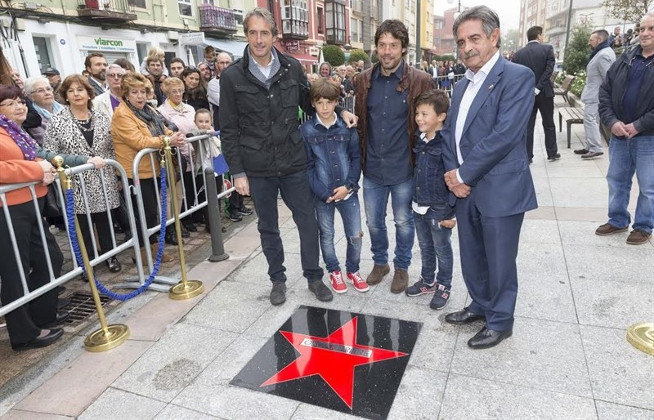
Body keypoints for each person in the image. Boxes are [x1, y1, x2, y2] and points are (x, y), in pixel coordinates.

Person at [219, 7, 357, 306]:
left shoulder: (291, 68)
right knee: (268, 227)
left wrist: (341, 109)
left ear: (273, 36)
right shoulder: (232, 76)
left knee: (308, 223)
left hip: (294, 162)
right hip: (258, 167)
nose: (258, 39)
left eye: (264, 33)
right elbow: (228, 128)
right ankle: (277, 280)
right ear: (246, 35)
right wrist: (237, 172)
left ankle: (314, 277)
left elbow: (311, 104)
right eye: (253, 33)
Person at [442, 6, 537, 349]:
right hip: (466, 190)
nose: (467, 47)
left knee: (499, 260)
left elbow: (505, 134)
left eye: (474, 38)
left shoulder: (517, 76)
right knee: (473, 255)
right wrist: (454, 175)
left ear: (494, 37)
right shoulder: (463, 81)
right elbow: (451, 132)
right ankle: (481, 306)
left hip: (501, 188)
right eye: (461, 41)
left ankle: (500, 321)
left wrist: (464, 173)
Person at [0, 84, 96, 350]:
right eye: (10, 103)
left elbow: (41, 157)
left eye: (20, 101)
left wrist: (57, 163)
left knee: (51, 258)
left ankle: (42, 313)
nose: (19, 106)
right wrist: (35, 169)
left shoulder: (15, 132)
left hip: (29, 203)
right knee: (14, 272)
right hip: (7, 210)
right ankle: (23, 333)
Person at [352, 19, 434, 293]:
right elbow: (360, 124)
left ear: (403, 49)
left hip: (404, 168)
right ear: (375, 47)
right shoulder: (363, 81)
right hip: (372, 167)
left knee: (403, 221)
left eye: (393, 46)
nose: (387, 51)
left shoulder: (421, 81)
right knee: (374, 222)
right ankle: (380, 263)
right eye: (382, 45)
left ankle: (401, 267)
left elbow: (432, 123)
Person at [44, 75, 122, 273]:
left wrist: (117, 173)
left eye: (80, 90)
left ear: (89, 93)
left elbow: (112, 148)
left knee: (106, 222)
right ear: (65, 96)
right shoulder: (57, 121)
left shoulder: (102, 117)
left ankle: (110, 256)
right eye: (71, 91)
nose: (76, 94)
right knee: (82, 226)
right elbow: (49, 152)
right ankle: (86, 264)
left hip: (104, 179)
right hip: (75, 182)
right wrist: (77, 161)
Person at [301, 78, 366, 294]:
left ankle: (353, 270)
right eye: (320, 103)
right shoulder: (306, 131)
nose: (325, 107)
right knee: (326, 235)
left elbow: (356, 157)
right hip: (323, 195)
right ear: (313, 104)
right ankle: (334, 270)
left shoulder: (347, 127)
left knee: (355, 234)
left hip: (348, 192)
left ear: (336, 102)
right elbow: (308, 166)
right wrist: (321, 192)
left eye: (329, 102)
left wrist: (350, 185)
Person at [111, 73, 186, 263]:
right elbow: (139, 141)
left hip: (153, 169)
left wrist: (174, 135)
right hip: (135, 172)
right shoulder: (122, 114)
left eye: (143, 92)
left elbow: (162, 128)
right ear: (126, 94)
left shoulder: (149, 110)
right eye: (134, 92)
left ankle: (154, 249)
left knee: (153, 213)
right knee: (142, 215)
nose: (140, 96)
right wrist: (168, 140)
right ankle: (144, 253)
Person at [597, 12, 654, 246]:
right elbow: (605, 92)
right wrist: (612, 122)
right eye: (641, 28)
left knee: (649, 186)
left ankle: (643, 226)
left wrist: (638, 125)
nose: (645, 33)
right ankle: (618, 220)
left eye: (651, 28)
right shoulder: (625, 58)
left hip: (648, 137)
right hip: (619, 134)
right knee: (616, 180)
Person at [405, 89, 456, 310]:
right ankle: (428, 281)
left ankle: (444, 285)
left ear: (441, 116)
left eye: (425, 114)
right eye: (418, 114)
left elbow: (455, 179)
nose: (419, 118)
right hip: (419, 204)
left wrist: (453, 214)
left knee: (441, 248)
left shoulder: (447, 143)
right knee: (425, 246)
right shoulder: (420, 138)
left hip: (440, 207)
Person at [158, 76, 199, 235]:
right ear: (167, 93)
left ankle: (183, 219)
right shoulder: (162, 111)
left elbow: (195, 127)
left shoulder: (190, 109)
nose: (177, 94)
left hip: (192, 154)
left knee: (185, 191)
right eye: (173, 91)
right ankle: (172, 225)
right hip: (176, 157)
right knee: (172, 193)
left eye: (180, 90)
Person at [512, 25, 560, 162]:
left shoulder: (518, 54)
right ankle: (552, 153)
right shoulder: (547, 49)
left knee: (528, 125)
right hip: (545, 93)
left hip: (527, 95)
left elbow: (517, 76)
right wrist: (538, 87)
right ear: (539, 36)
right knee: (549, 123)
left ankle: (527, 156)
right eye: (542, 34)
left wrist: (529, 89)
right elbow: (549, 70)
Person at [574, 29, 616, 159]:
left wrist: (606, 97)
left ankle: (595, 148)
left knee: (590, 119)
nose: (588, 43)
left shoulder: (603, 55)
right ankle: (590, 146)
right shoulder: (600, 52)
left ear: (599, 40)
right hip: (594, 93)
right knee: (592, 120)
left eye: (591, 40)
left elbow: (608, 78)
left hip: (596, 94)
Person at [24, 76, 63, 145]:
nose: (47, 93)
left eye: (48, 89)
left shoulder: (65, 109)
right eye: (40, 90)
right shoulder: (35, 119)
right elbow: (47, 143)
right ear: (30, 96)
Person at [207, 52, 233, 129]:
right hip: (222, 126)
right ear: (216, 64)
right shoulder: (213, 83)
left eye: (227, 62)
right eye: (222, 63)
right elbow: (225, 103)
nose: (225, 66)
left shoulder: (239, 80)